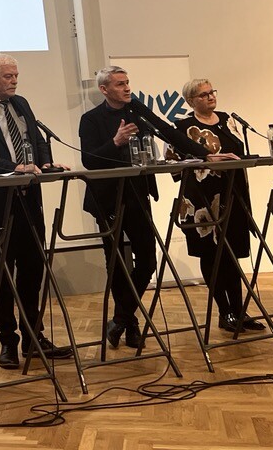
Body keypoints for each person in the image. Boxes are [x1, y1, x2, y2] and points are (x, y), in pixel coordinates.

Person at [0, 53, 74, 369]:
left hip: (28, 199)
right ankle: (7, 341)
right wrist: (13, 168)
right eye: (8, 76)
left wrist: (45, 163)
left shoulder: (21, 104)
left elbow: (36, 140)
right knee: (3, 274)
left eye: (16, 76)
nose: (14, 81)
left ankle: (34, 337)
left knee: (33, 269)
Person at [171, 79, 264, 333]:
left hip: (233, 195)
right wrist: (205, 161)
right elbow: (174, 167)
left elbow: (239, 151)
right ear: (191, 101)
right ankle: (225, 312)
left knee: (232, 255)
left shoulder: (227, 120)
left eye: (212, 92)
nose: (210, 97)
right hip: (202, 201)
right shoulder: (181, 128)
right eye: (203, 95)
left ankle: (239, 310)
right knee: (211, 255)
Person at [78, 66, 160, 351]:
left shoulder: (138, 113)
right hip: (108, 200)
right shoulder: (90, 119)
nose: (127, 88)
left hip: (138, 196)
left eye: (128, 82)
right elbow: (89, 160)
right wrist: (115, 142)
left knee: (148, 262)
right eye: (120, 84)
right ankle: (132, 325)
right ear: (104, 89)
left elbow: (155, 143)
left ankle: (121, 319)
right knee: (117, 264)